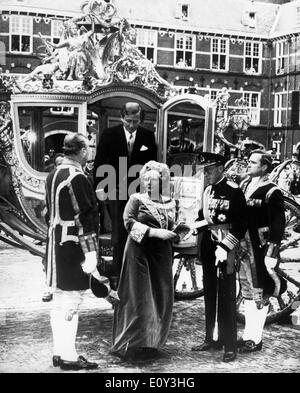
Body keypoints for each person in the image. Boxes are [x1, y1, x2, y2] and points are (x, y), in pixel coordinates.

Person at [44, 133, 112, 371]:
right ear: (82, 150)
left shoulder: (54, 174)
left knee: (60, 300)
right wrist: (91, 252)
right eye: (89, 148)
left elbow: (47, 213)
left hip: (56, 244)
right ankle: (70, 356)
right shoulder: (77, 177)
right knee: (72, 301)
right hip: (73, 245)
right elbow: (85, 216)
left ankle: (59, 352)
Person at [110, 161, 178, 361]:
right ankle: (133, 345)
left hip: (162, 255)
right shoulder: (136, 199)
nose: (148, 184)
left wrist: (177, 233)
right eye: (146, 180)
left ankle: (152, 343)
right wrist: (157, 232)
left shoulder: (171, 202)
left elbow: (173, 225)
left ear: (162, 181)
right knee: (140, 299)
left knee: (160, 297)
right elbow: (128, 223)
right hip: (139, 252)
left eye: (153, 180)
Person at [93, 102, 157, 286]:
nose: (131, 125)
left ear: (140, 120)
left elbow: (152, 164)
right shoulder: (109, 134)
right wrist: (99, 189)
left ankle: (136, 274)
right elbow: (99, 163)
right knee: (119, 234)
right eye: (128, 121)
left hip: (139, 194)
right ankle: (118, 278)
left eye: (135, 121)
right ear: (122, 118)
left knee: (138, 231)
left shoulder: (148, 136)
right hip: (115, 192)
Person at [192, 152, 247, 363]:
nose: (207, 174)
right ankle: (211, 338)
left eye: (210, 169)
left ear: (221, 169)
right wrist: (192, 228)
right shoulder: (207, 190)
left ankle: (229, 345)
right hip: (208, 245)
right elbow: (203, 217)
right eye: (204, 170)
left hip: (226, 247)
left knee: (226, 296)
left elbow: (241, 224)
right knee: (209, 292)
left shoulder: (234, 191)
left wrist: (226, 246)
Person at [238, 150, 285, 353]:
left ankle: (256, 340)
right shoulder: (246, 185)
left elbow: (278, 225)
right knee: (247, 292)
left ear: (264, 166)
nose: (248, 165)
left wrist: (271, 254)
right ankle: (248, 334)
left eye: (253, 162)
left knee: (261, 294)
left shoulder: (272, 191)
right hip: (243, 248)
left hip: (261, 249)